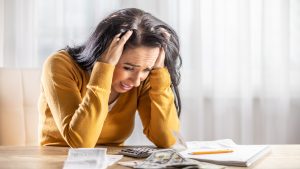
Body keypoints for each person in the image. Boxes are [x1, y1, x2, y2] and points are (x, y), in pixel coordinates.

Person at [39, 8, 182, 148]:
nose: (137, 81)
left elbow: (167, 139)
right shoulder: (60, 65)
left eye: (147, 69)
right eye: (128, 68)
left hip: (111, 161)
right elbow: (81, 142)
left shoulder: (144, 79)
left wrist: (159, 74)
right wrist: (104, 68)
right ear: (107, 51)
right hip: (59, 158)